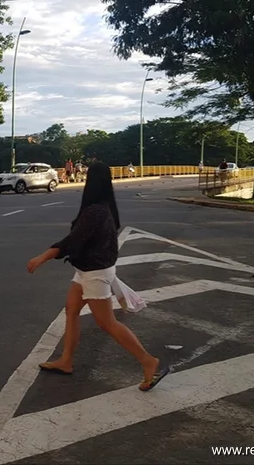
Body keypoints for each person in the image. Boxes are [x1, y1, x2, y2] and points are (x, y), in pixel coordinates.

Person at [26, 161, 170, 392]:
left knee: (106, 322)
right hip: (87, 271)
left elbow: (73, 240)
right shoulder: (104, 207)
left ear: (90, 181)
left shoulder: (95, 211)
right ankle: (66, 361)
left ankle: (148, 361)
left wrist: (43, 257)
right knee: (72, 310)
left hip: (95, 274)